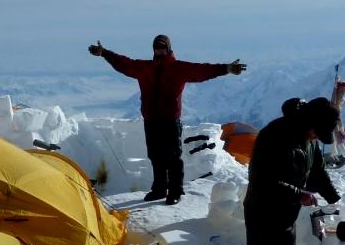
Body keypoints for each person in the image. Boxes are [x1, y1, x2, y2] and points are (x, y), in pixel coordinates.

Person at [88, 35, 246, 205]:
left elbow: (203, 71)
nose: (160, 50)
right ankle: (159, 189)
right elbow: (124, 63)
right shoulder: (144, 67)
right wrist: (104, 53)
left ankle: (175, 191)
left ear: (169, 48)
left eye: (163, 47)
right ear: (153, 49)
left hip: (170, 121)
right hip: (151, 120)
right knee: (156, 156)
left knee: (173, 157)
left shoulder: (178, 68)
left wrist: (227, 69)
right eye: (157, 47)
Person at [243, 97, 342, 245]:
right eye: (316, 132)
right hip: (262, 212)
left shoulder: (310, 140)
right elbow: (262, 180)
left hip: (286, 214)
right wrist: (299, 194)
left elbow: (318, 173)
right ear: (309, 122)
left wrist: (335, 200)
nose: (316, 138)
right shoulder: (274, 135)